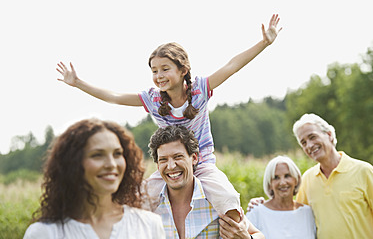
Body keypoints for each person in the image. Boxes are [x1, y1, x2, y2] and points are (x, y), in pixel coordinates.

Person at [56, 14, 282, 222]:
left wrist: (264, 42)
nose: (159, 76)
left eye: (165, 69)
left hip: (202, 164)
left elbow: (232, 66)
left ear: (183, 69)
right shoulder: (153, 100)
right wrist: (78, 83)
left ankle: (239, 232)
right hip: (171, 164)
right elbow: (115, 97)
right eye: (154, 71)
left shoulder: (200, 90)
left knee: (227, 197)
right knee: (140, 199)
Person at [23, 118, 165, 239]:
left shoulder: (149, 225)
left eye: (117, 154)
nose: (111, 164)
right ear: (73, 163)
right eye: (97, 155)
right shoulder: (44, 233)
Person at [148, 125, 264, 239]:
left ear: (194, 158)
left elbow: (259, 235)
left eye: (178, 157)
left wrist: (247, 238)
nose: (171, 166)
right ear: (158, 165)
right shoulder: (150, 207)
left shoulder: (217, 200)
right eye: (163, 159)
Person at [293, 113, 373, 239]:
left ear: (329, 135)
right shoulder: (307, 179)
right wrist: (261, 204)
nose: (309, 145)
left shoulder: (364, 171)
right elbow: (294, 217)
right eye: (303, 142)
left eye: (312, 137)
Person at [245, 155, 316, 239]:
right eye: (276, 178)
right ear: (269, 184)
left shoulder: (308, 213)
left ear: (296, 180)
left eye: (287, 176)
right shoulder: (256, 212)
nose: (282, 182)